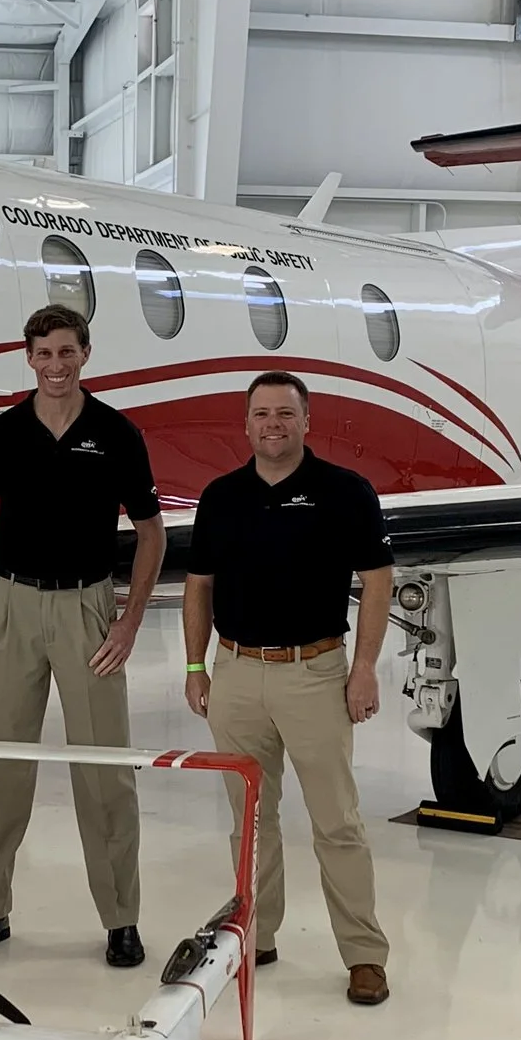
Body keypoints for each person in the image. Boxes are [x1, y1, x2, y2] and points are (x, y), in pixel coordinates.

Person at [0, 304, 166, 968]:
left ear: (85, 355)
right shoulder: (3, 434)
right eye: (43, 354)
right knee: (1, 767)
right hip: (12, 606)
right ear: (29, 359)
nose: (55, 366)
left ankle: (121, 919)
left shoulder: (117, 434)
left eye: (66, 352)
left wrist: (129, 619)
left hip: (87, 609)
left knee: (105, 772)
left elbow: (152, 530)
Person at [182, 373, 396, 1006]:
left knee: (336, 823)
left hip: (316, 675)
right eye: (260, 414)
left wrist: (364, 668)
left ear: (307, 421)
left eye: (284, 413)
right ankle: (256, 934)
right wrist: (197, 668)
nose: (271, 424)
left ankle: (364, 956)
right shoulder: (220, 496)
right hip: (237, 675)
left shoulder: (345, 492)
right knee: (250, 822)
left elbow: (378, 580)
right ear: (245, 424)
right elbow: (199, 584)